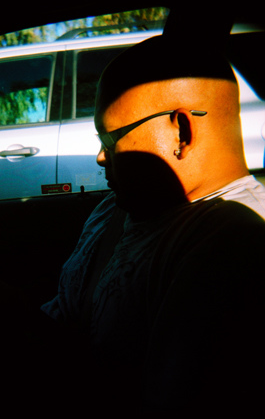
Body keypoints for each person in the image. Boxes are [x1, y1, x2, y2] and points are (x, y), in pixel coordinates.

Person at [41, 35, 265, 415]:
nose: (100, 157)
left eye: (111, 138)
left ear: (181, 131)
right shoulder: (117, 207)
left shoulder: (238, 244)